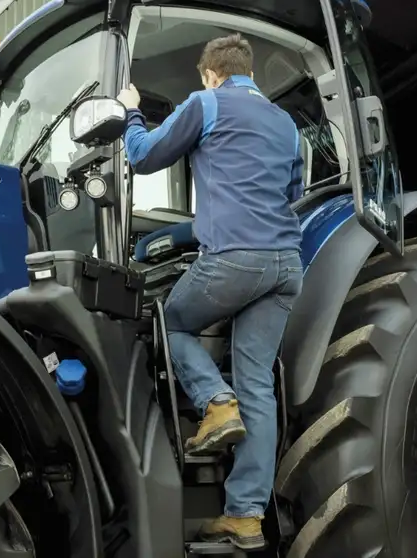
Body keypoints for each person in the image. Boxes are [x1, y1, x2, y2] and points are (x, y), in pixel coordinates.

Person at [118, 34, 304, 550]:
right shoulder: (287, 126)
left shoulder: (206, 104)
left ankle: (215, 403)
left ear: (210, 74)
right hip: (285, 265)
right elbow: (286, 195)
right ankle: (244, 516)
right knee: (259, 389)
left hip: (233, 260)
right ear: (249, 72)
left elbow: (142, 156)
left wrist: (133, 112)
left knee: (170, 322)